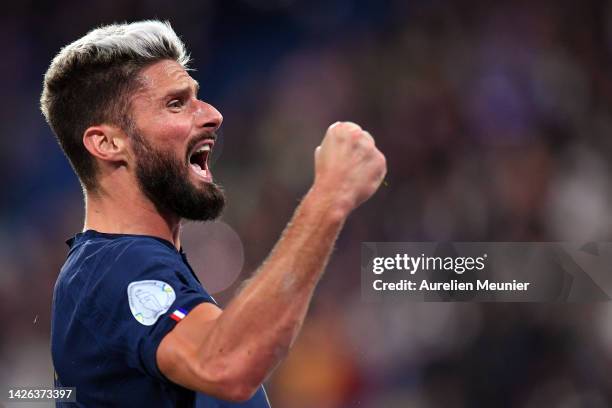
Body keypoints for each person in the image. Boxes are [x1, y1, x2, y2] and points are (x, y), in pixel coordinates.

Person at [40, 20, 386, 407]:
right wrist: (329, 198)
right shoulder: (117, 268)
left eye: (196, 96)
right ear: (107, 143)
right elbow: (227, 366)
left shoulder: (123, 266)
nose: (213, 114)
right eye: (176, 103)